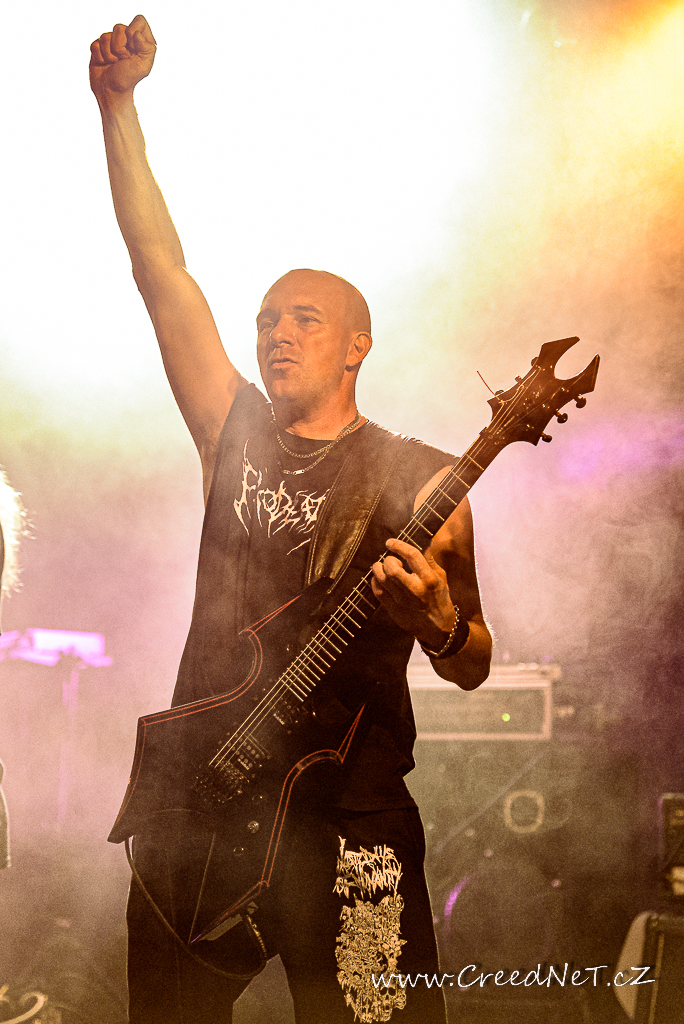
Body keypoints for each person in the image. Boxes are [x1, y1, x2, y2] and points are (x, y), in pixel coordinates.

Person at [90, 15, 492, 1024]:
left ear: (358, 344)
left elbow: (474, 660)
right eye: (267, 317)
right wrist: (117, 105)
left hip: (350, 821)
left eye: (304, 318)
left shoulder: (423, 478)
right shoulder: (231, 430)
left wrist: (441, 619)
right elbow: (159, 269)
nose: (277, 332)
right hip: (200, 804)